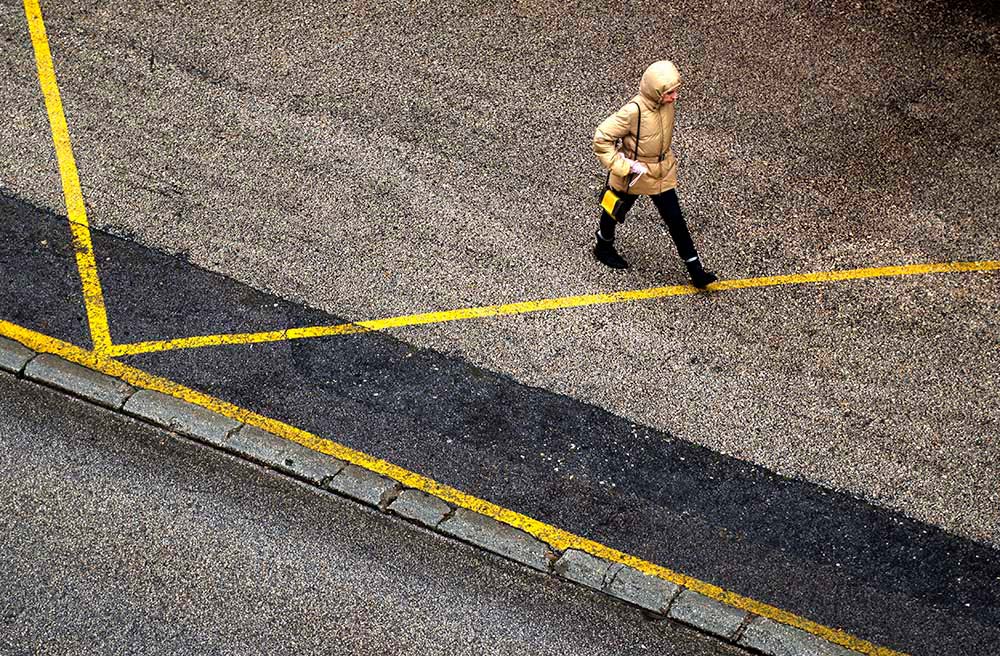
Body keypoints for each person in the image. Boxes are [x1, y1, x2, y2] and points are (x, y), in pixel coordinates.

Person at [592, 60, 718, 288]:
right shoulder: (633, 111)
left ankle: (695, 270)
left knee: (675, 220)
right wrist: (622, 166)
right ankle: (603, 245)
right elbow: (602, 137)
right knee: (614, 208)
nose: (674, 97)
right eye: (669, 92)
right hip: (635, 173)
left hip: (660, 171)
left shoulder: (664, 105)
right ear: (657, 92)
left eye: (674, 91)